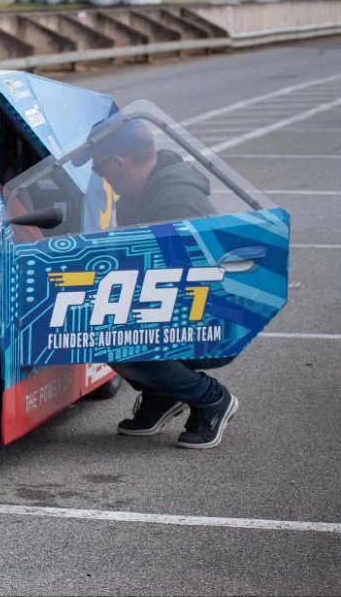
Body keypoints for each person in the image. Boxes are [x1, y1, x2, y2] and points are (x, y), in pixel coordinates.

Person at [79, 116, 237, 450]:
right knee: (96, 320)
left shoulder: (176, 202)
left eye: (99, 168)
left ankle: (211, 399)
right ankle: (163, 393)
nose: (101, 177)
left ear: (119, 163)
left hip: (206, 322)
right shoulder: (139, 196)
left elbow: (180, 283)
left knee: (111, 336)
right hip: (175, 307)